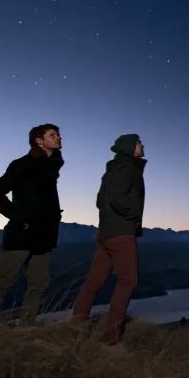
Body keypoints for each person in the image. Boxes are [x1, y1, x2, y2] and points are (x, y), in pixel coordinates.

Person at [0, 123, 65, 325]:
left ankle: (27, 327)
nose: (59, 138)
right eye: (53, 135)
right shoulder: (22, 164)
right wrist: (21, 217)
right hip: (21, 235)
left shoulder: (51, 166)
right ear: (39, 141)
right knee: (2, 284)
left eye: (58, 134)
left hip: (44, 237)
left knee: (39, 284)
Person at [71, 134, 147, 345]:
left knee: (93, 282)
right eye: (139, 143)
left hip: (105, 234)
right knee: (128, 281)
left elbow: (99, 201)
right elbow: (116, 198)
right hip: (121, 234)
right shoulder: (128, 169)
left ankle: (76, 328)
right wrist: (133, 215)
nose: (143, 146)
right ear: (130, 147)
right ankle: (111, 338)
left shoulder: (112, 170)